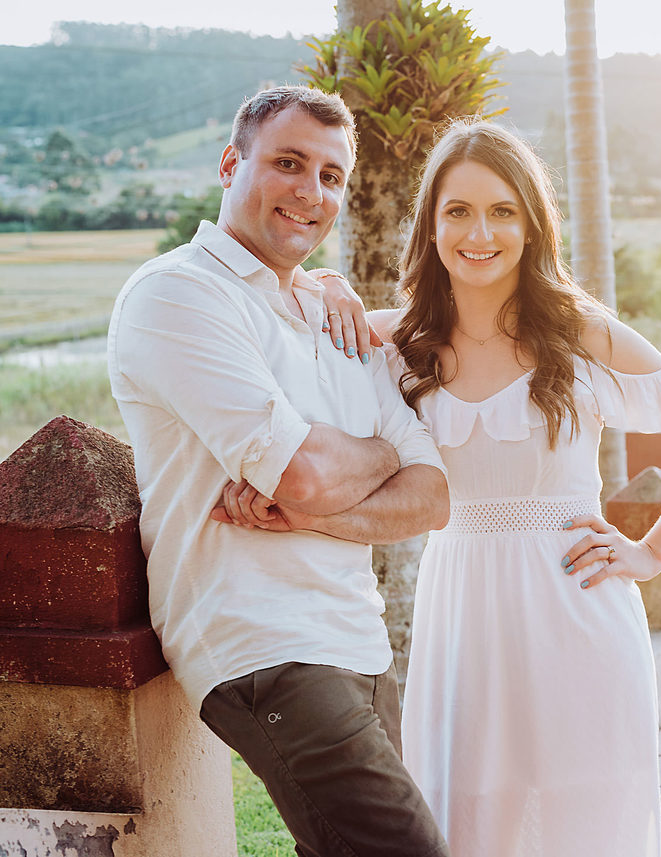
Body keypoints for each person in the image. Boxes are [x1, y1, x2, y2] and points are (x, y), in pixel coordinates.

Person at [313, 119, 661, 857]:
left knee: (587, 826)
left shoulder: (583, 334)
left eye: (502, 211)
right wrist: (326, 282)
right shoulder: (395, 344)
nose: (479, 233)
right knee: (468, 823)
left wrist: (651, 552)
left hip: (578, 615)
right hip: (462, 620)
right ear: (431, 225)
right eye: (458, 211)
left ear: (531, 225)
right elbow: (283, 316)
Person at [107, 86, 451, 857]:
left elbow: (432, 496)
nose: (310, 191)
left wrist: (323, 499)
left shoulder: (335, 316)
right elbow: (302, 473)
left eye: (331, 176)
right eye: (288, 163)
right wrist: (383, 452)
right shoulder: (178, 294)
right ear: (231, 165)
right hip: (263, 642)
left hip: (358, 638)